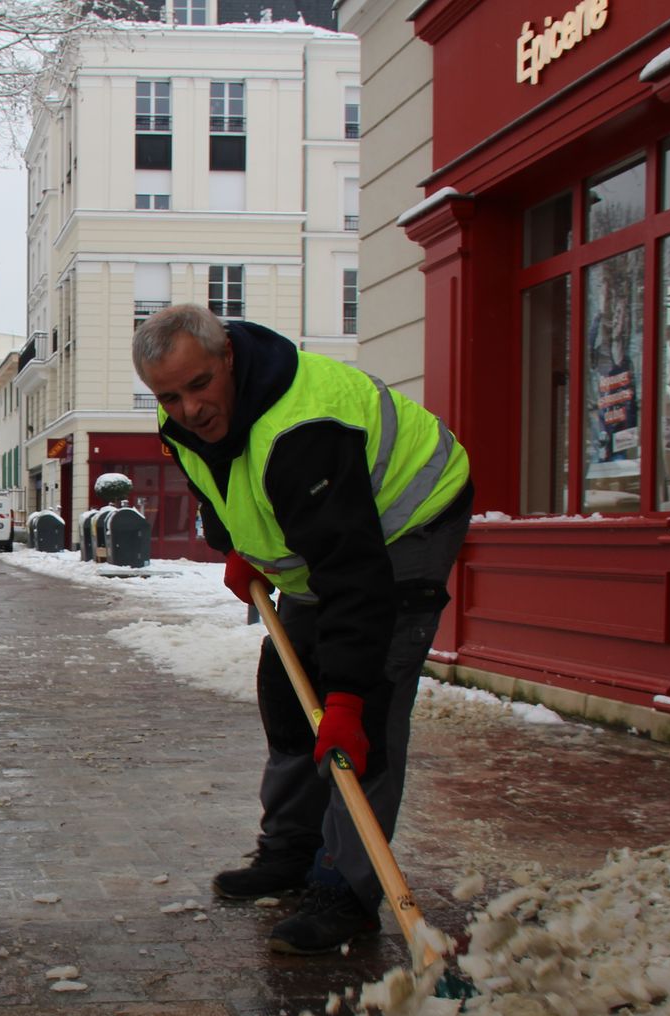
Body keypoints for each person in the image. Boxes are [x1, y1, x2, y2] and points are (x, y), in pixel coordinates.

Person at [133, 305, 472, 955]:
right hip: (333, 547)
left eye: (199, 386)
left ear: (227, 356)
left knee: (362, 712)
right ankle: (291, 849)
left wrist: (346, 698)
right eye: (168, 396)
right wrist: (234, 543)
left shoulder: (302, 432)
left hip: (407, 526)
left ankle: (345, 888)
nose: (188, 409)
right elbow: (218, 482)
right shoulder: (181, 420)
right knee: (289, 688)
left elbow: (356, 578)